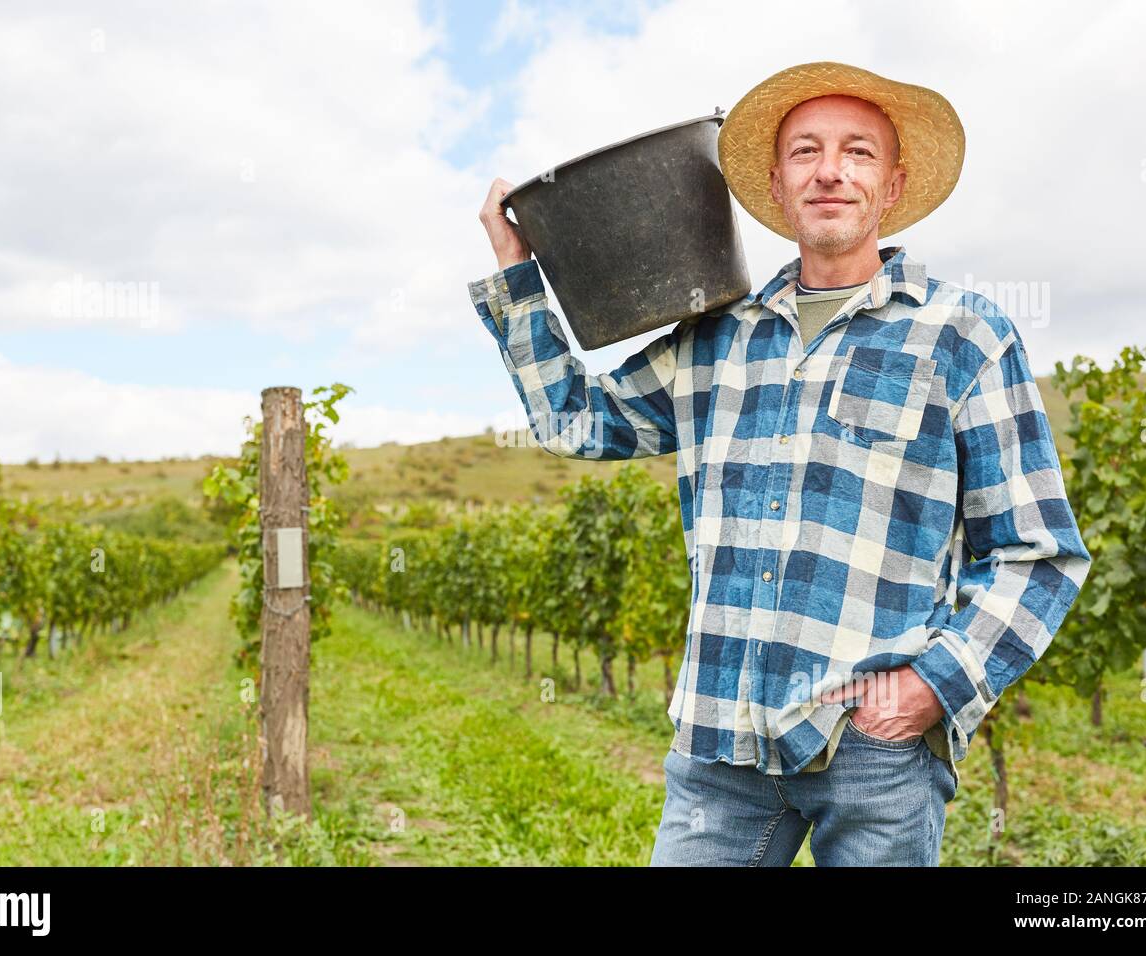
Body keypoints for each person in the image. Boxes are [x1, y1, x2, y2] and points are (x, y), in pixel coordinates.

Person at [466, 61, 1092, 866]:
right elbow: (572, 420)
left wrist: (931, 686)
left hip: (873, 752)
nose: (830, 170)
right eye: (806, 152)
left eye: (858, 152)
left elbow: (1038, 553)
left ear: (893, 186)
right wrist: (518, 270)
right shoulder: (717, 339)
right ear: (775, 183)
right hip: (718, 747)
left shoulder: (961, 335)